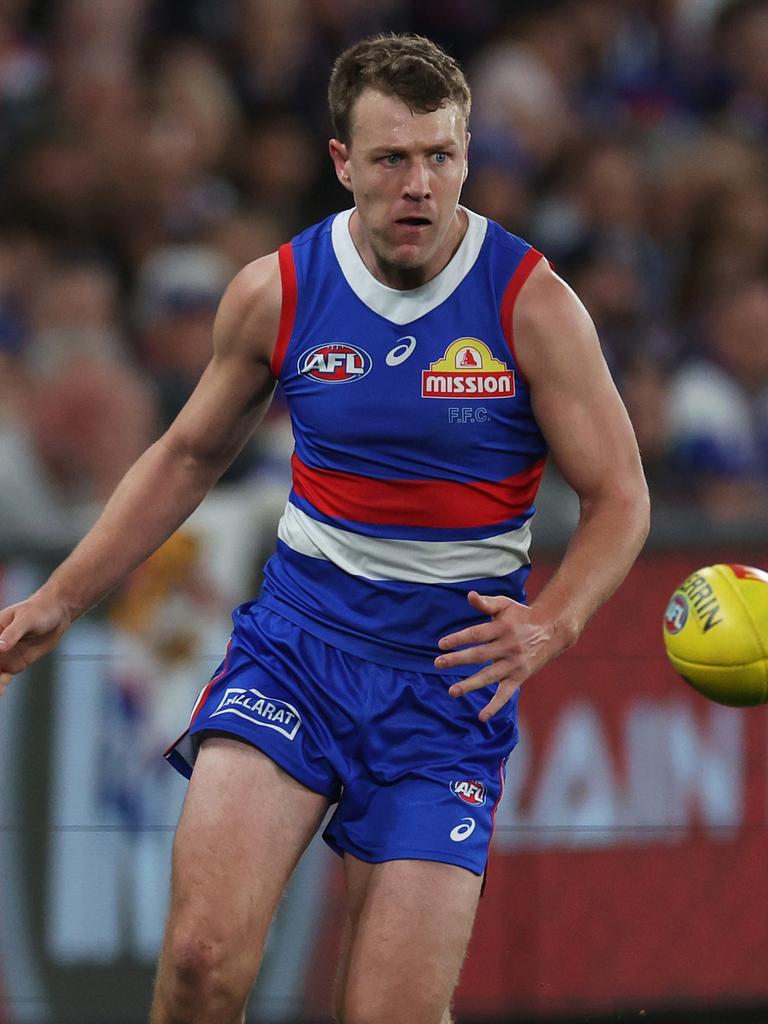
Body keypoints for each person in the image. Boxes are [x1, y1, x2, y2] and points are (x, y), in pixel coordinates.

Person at [0, 33, 650, 1024]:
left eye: (441, 155)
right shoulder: (279, 290)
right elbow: (185, 455)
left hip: (448, 693)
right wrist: (60, 595)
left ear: (469, 154)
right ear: (343, 162)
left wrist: (551, 621)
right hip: (297, 654)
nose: (420, 185)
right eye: (392, 159)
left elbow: (622, 498)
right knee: (199, 963)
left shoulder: (532, 306)